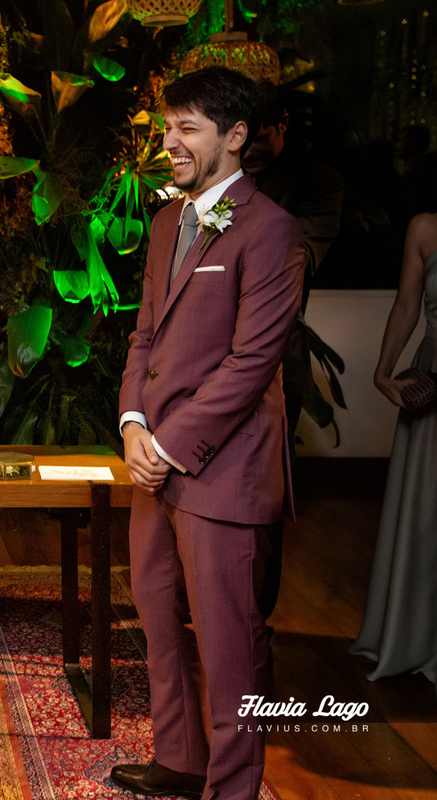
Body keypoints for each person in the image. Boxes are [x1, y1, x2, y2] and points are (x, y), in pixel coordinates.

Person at [111, 67, 305, 800]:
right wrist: (132, 422)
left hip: (222, 472)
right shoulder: (169, 223)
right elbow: (146, 336)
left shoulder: (273, 231)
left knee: (229, 646)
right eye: (167, 128)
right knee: (158, 615)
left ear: (234, 137)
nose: (171, 143)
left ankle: (232, 787)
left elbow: (252, 361)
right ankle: (179, 760)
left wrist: (165, 446)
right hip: (153, 459)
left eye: (188, 128)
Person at [241, 80, 345, 621]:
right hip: (201, 357)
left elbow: (293, 267)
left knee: (263, 493)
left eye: (260, 137)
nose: (250, 150)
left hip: (276, 357)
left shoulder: (316, 183)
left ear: (282, 127)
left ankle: (257, 617)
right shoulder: (221, 175)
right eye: (243, 138)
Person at [350, 211, 437, 690]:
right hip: (434, 376)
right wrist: (384, 372)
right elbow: (407, 305)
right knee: (425, 515)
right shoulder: (424, 227)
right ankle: (416, 636)